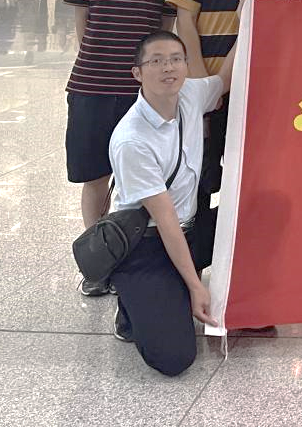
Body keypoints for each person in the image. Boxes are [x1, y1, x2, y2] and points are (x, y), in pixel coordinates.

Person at [168, 0, 299, 257]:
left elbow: (293, 20)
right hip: (210, 89)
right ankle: (195, 267)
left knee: (257, 179)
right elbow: (185, 20)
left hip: (262, 90)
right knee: (201, 179)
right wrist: (201, 84)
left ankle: (249, 262)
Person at [64, 0, 184, 296]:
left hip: (145, 94)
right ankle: (98, 263)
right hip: (93, 84)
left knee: (146, 180)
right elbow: (82, 19)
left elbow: (165, 30)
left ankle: (138, 261)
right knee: (95, 175)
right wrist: (98, 57)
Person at [109, 31, 235, 376]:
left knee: (262, 213)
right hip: (147, 245)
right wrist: (196, 287)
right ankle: (132, 302)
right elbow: (165, 222)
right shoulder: (132, 140)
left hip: (189, 229)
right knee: (174, 358)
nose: (168, 67)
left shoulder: (190, 94)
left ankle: (168, 290)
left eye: (176, 59)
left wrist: (249, 18)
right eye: (156, 61)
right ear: (137, 73)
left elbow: (224, 80)